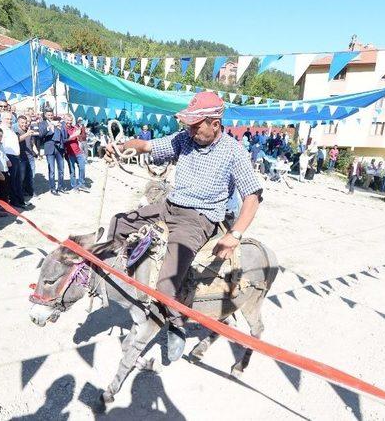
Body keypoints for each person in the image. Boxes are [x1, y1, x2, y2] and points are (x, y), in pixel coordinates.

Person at [105, 92, 262, 361]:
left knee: (166, 286)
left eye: (196, 125)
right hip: (169, 206)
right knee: (119, 222)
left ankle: (176, 324)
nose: (190, 130)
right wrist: (119, 148)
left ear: (215, 123)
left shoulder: (234, 152)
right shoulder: (184, 139)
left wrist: (235, 234)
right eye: (189, 124)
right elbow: (146, 146)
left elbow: (253, 195)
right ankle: (117, 277)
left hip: (198, 219)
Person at [0, 112, 28, 207]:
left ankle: (20, 200)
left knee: (17, 180)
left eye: (11, 119)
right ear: (2, 119)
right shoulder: (0, 129)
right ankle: (14, 201)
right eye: (7, 119)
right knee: (12, 181)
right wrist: (6, 159)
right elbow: (0, 146)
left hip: (16, 156)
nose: (9, 121)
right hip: (9, 157)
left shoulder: (10, 129)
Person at [38, 109, 67, 195]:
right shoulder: (42, 124)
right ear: (45, 115)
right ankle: (52, 188)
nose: (50, 116)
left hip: (59, 149)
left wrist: (61, 128)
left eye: (51, 115)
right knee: (52, 170)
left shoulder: (58, 122)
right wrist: (49, 127)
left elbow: (64, 136)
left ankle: (60, 187)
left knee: (61, 169)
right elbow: (41, 135)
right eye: (48, 115)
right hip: (49, 148)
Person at [16, 115, 38, 202]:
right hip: (21, 157)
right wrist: (27, 134)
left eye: (26, 122)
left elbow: (31, 141)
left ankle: (30, 190)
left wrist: (35, 150)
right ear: (18, 122)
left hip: (30, 156)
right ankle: (20, 193)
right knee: (21, 177)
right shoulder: (17, 131)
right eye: (22, 123)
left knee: (31, 175)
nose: (24, 124)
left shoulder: (28, 130)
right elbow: (17, 140)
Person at [64, 114, 89, 192]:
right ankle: (74, 186)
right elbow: (63, 140)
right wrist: (73, 135)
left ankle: (81, 183)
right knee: (72, 170)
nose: (69, 122)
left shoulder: (75, 128)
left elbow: (80, 138)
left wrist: (83, 134)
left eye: (71, 120)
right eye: (68, 120)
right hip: (69, 153)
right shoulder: (63, 129)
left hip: (78, 152)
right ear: (65, 120)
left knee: (82, 167)